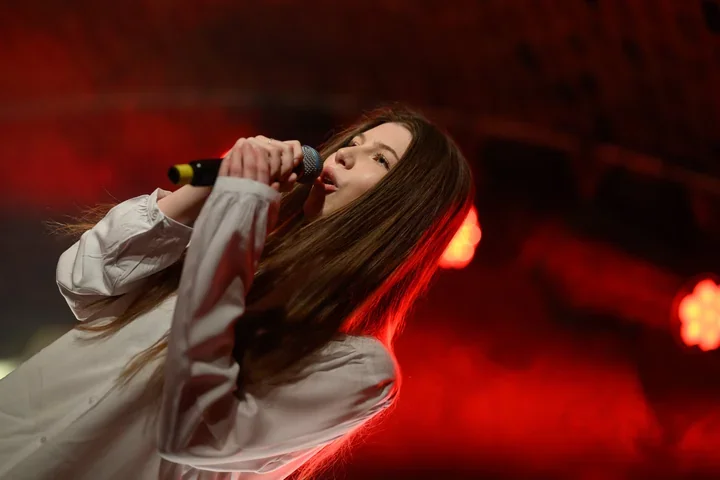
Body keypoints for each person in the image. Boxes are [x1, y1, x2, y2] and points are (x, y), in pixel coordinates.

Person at [0, 105, 474, 479]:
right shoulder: (245, 246)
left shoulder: (360, 367)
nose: (346, 155)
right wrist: (214, 187)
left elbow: (194, 432)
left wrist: (240, 211)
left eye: (380, 160)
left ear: (403, 214)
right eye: (355, 142)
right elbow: (84, 280)